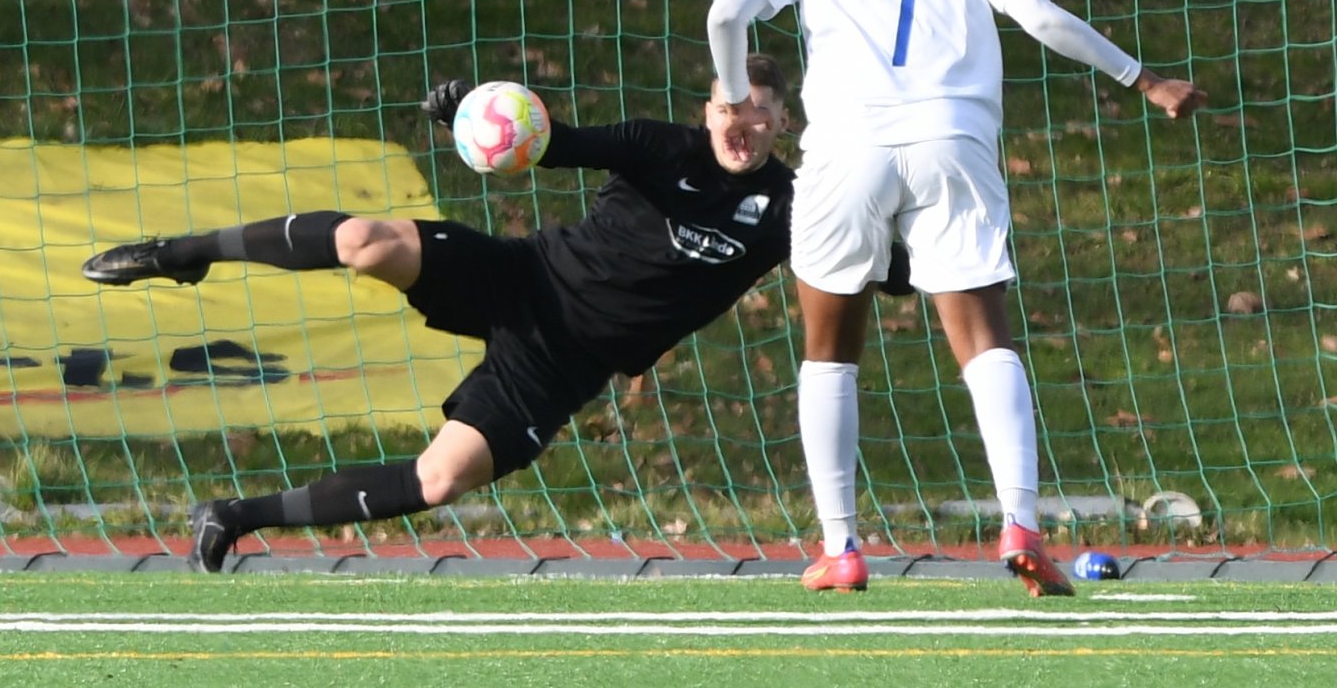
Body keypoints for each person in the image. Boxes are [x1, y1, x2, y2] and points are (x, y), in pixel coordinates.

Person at [85, 57, 901, 571]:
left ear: (784, 124)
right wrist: (468, 119)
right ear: (708, 107)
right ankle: (185, 252)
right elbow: (555, 141)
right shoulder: (664, 148)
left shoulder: (794, 206)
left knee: (439, 479)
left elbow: (887, 272)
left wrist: (926, 233)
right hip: (523, 278)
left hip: (563, 363)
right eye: (732, 106)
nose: (745, 123)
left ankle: (233, 515)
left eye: (762, 112)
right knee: (368, 240)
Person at [707, 0, 1207, 596]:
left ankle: (842, 547)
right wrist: (1143, 79)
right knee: (985, 338)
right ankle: (1020, 523)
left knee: (829, 349)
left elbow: (726, 13)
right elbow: (1040, 18)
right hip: (953, 140)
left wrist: (733, 97)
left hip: (846, 147)